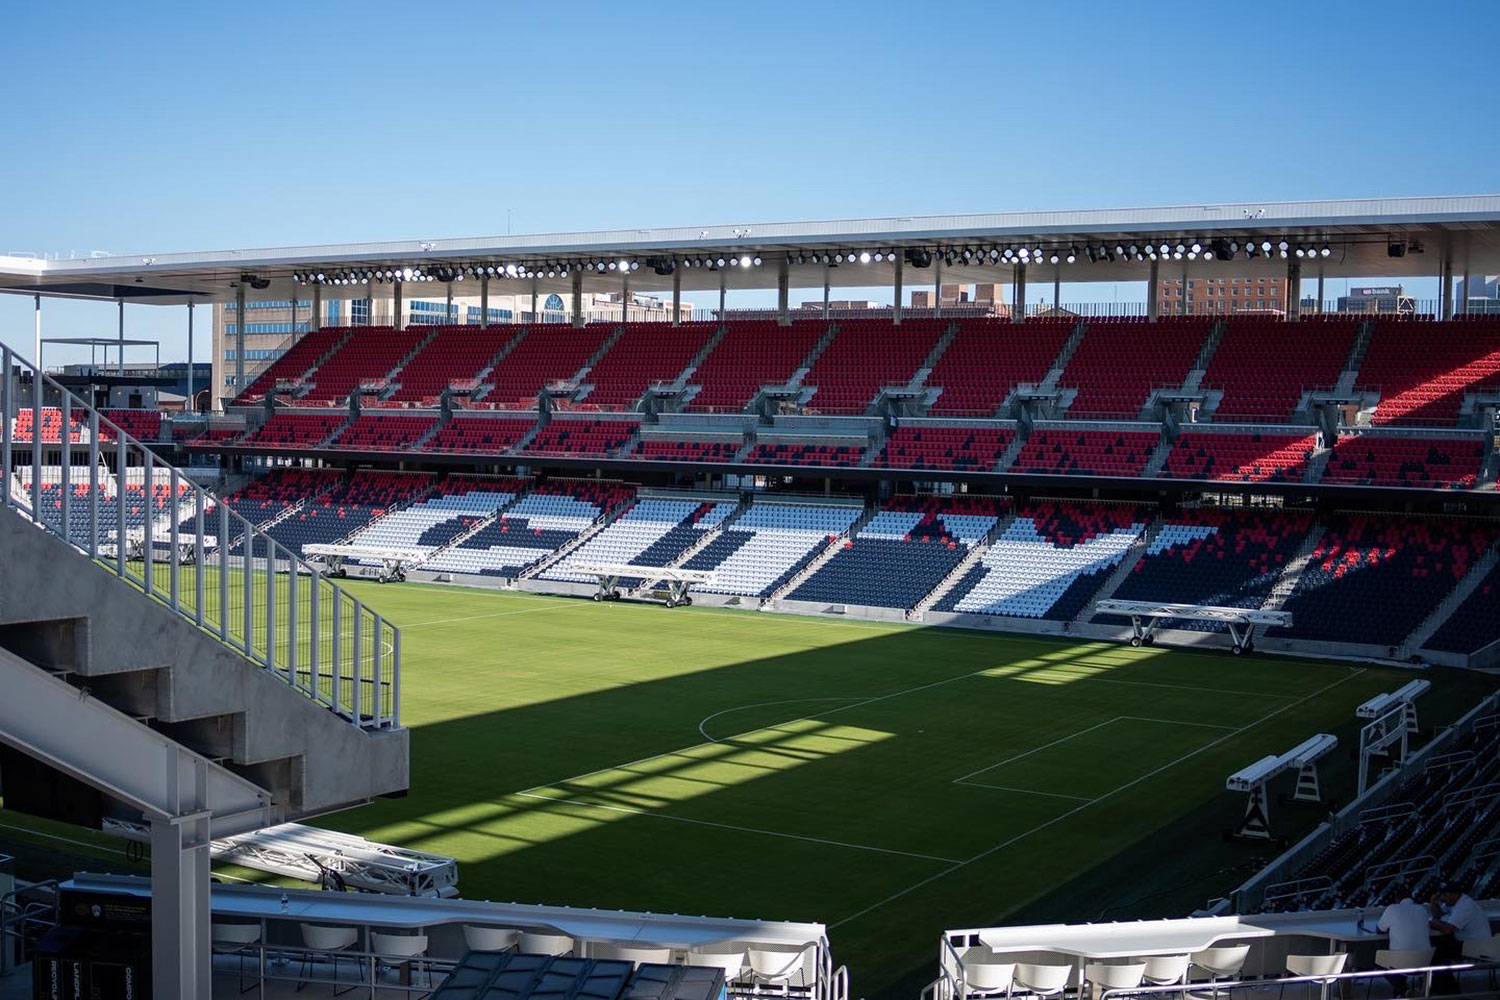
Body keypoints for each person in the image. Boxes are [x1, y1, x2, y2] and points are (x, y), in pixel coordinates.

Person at [1429, 881, 1491, 994]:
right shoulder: (1456, 902)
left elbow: (1447, 929)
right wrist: (1433, 904)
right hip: (1467, 943)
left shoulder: (1465, 906)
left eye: (1445, 895)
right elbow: (1438, 915)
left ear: (1454, 894)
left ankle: (1446, 989)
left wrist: (1428, 923)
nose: (1443, 898)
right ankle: (1442, 986)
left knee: (1437, 954)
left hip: (1477, 946)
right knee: (1439, 948)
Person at [1374, 887, 1431, 998]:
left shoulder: (1393, 909)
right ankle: (1402, 991)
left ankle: (1402, 989)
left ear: (1397, 899)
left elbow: (1380, 930)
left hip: (1401, 962)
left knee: (1377, 961)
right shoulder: (1422, 910)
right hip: (1424, 960)